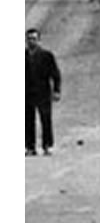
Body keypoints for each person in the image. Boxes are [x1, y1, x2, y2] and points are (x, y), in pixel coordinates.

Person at [25, 28, 61, 156]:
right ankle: (30, 147)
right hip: (27, 93)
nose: (31, 41)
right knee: (28, 121)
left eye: (34, 39)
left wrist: (56, 90)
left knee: (45, 119)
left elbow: (55, 74)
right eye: (29, 39)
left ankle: (48, 145)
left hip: (43, 92)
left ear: (39, 40)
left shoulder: (46, 56)